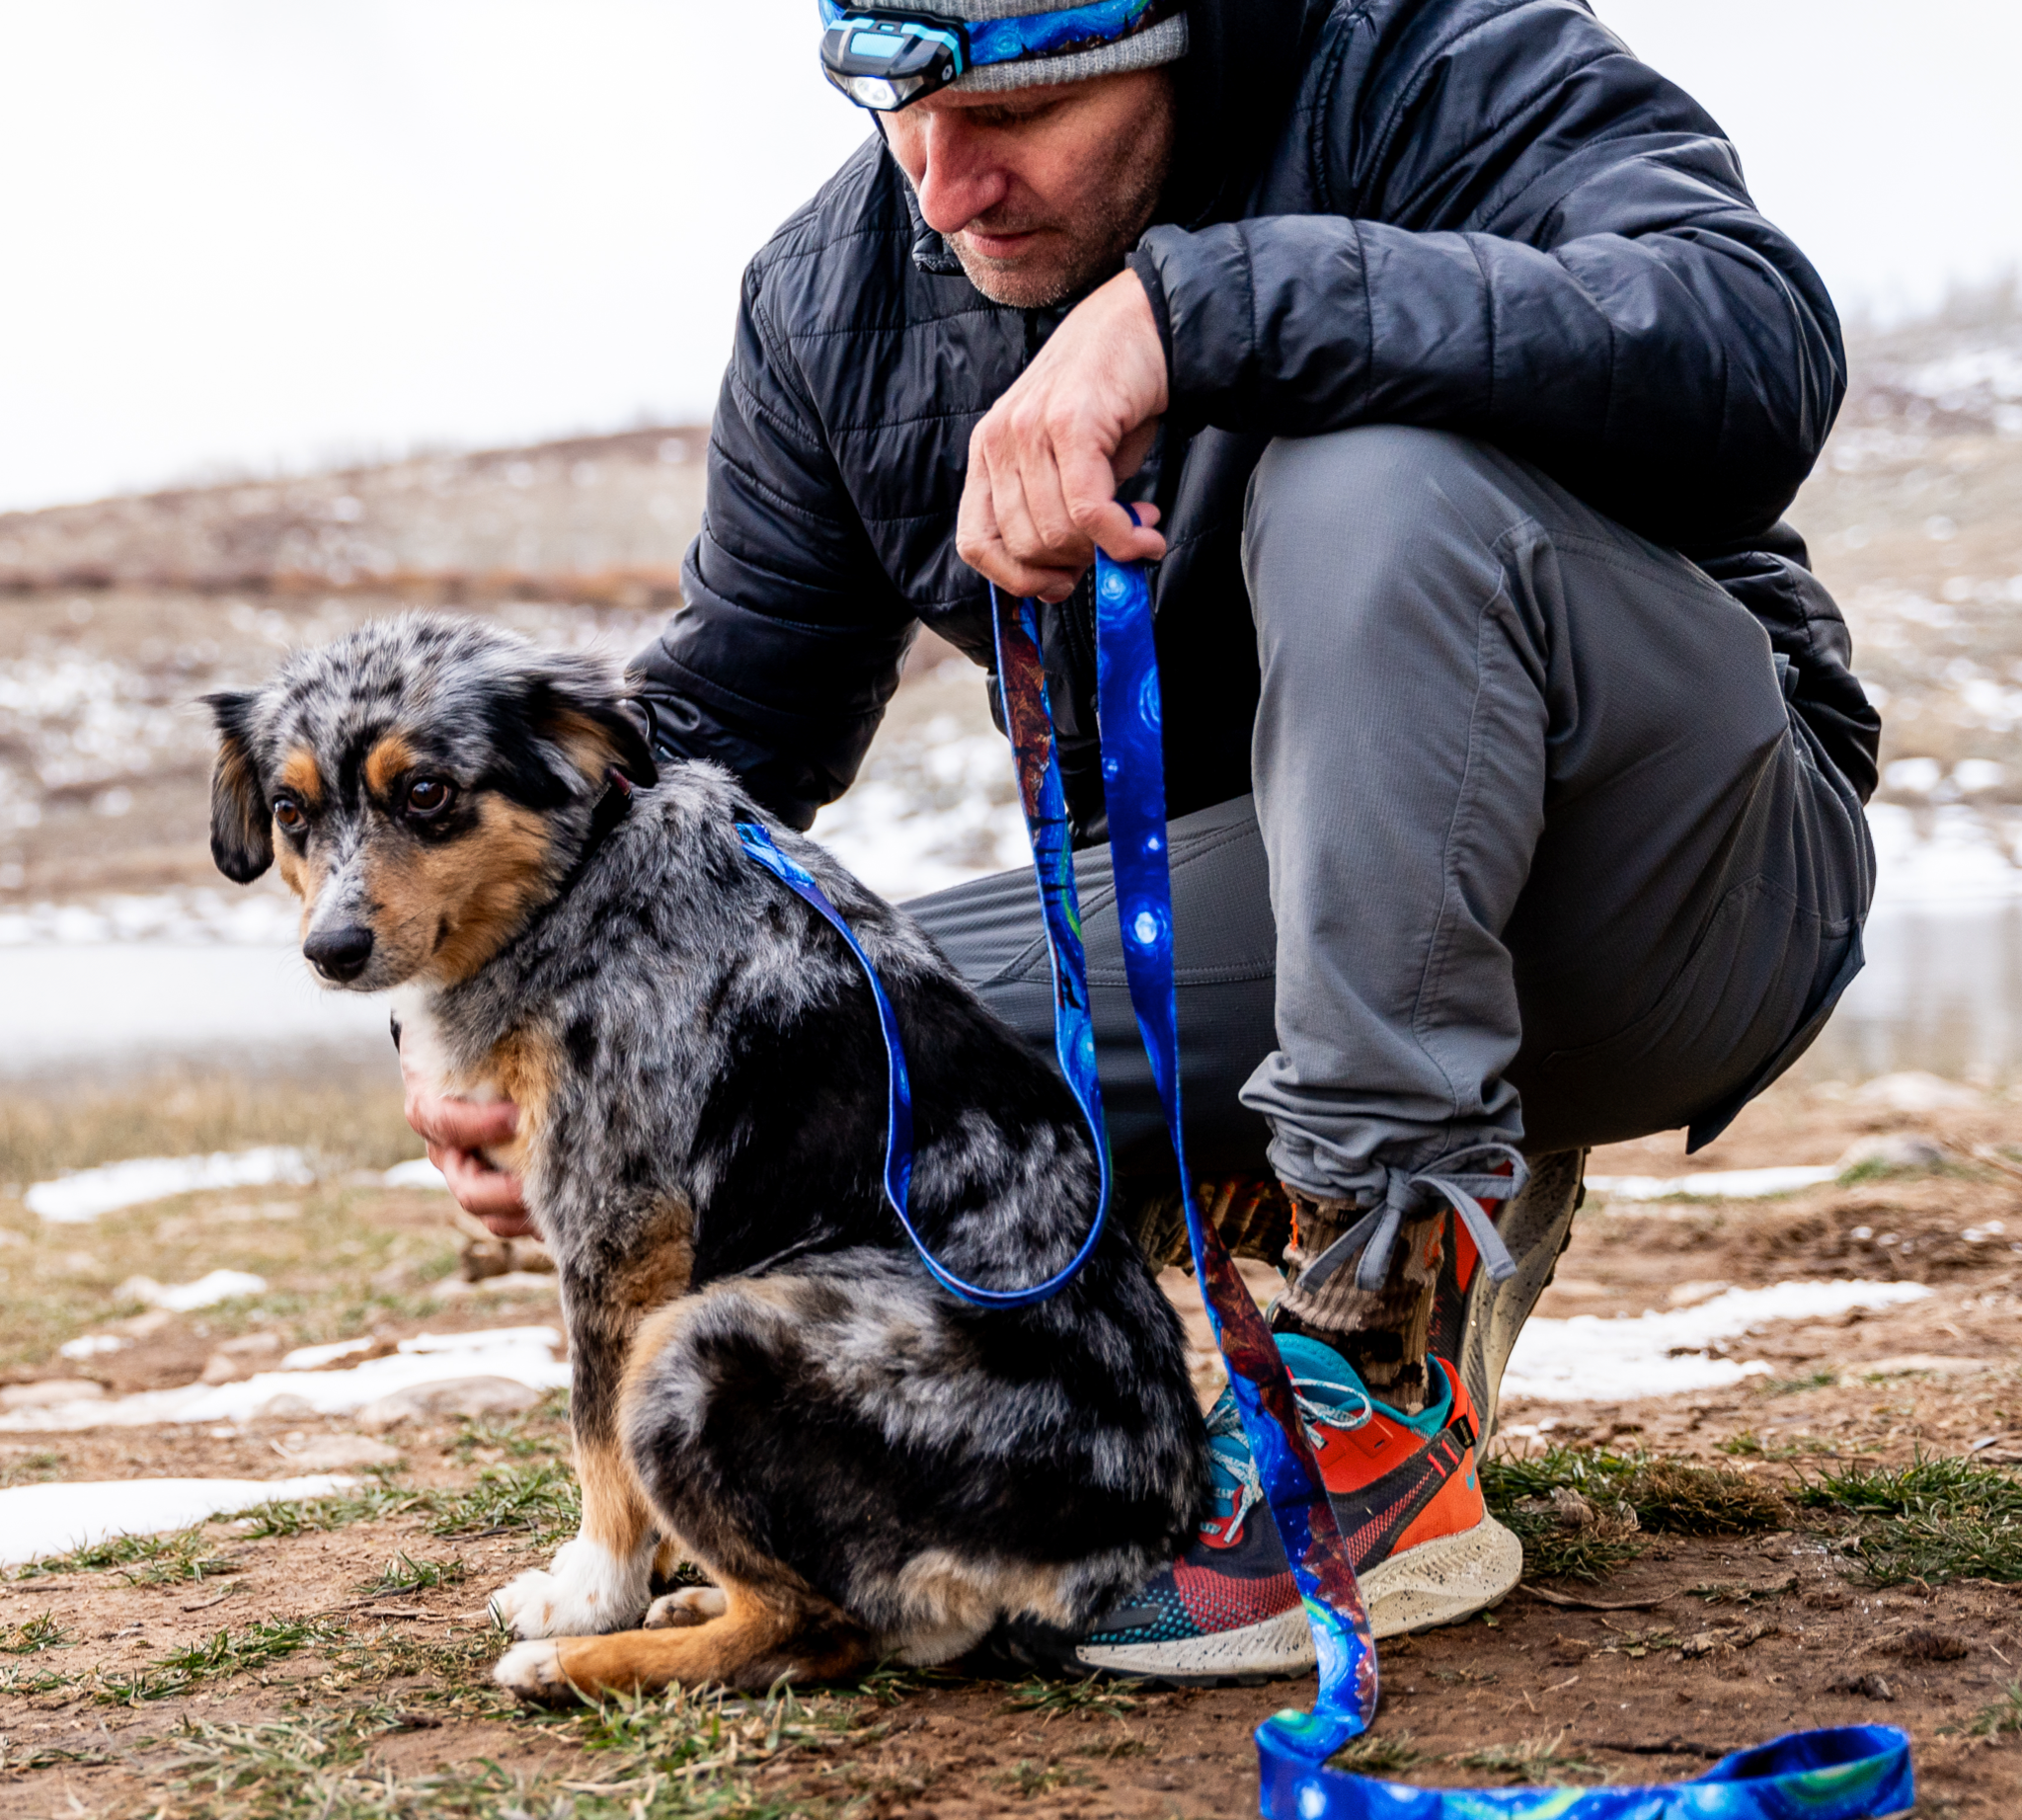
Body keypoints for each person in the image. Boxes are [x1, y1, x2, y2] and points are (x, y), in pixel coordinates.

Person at [406, 0, 1876, 1678]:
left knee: (1374, 472)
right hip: (1248, 920)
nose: (946, 186)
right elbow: (727, 735)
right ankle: (912, 1504)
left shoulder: (1431, 59)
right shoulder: (836, 294)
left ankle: (1386, 1324)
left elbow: (1753, 346)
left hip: (1678, 880)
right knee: (733, 1037)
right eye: (898, 110)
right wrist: (516, 1007)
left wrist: (1198, 310)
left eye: (1020, 109)